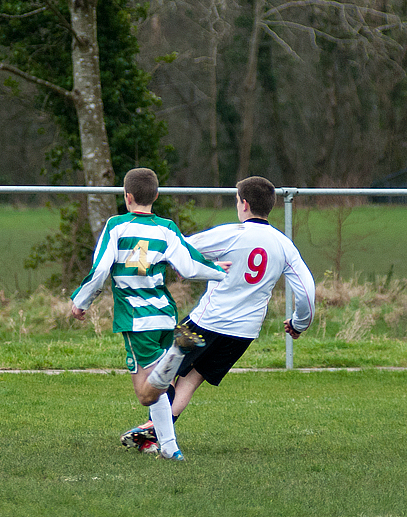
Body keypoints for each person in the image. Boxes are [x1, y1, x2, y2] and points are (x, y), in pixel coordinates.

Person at [120, 176, 316, 453]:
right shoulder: (283, 245)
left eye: (237, 200)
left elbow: (181, 248)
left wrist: (139, 262)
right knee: (191, 380)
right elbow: (307, 290)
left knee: (163, 371)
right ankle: (154, 434)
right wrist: (299, 323)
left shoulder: (232, 233)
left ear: (244, 204)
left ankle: (154, 431)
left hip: (206, 322)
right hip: (243, 334)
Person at [70, 168, 229, 461]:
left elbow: (100, 270)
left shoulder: (116, 226)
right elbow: (189, 266)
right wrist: (218, 271)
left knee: (146, 392)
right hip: (166, 316)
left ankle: (176, 355)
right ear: (155, 196)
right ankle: (169, 448)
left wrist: (82, 302)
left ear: (127, 197)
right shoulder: (166, 228)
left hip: (136, 319)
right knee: (157, 386)